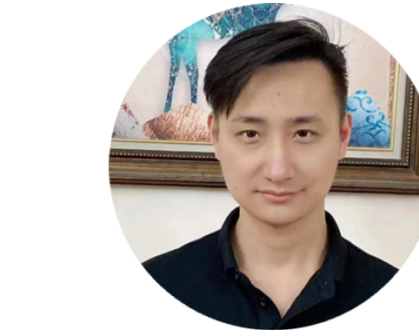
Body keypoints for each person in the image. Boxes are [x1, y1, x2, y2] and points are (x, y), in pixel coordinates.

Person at [140, 18, 399, 329]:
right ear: (216, 136)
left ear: (343, 136)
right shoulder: (163, 282)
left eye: (303, 133)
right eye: (251, 134)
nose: (278, 170)